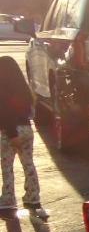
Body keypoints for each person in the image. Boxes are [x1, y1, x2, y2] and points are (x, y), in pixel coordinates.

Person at [0, 56, 47, 220]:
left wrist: (12, 134)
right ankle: (33, 198)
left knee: (7, 167)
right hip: (27, 129)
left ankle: (7, 200)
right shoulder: (24, 89)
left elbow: (5, 114)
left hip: (9, 132)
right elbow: (31, 112)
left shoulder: (3, 91)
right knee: (28, 164)